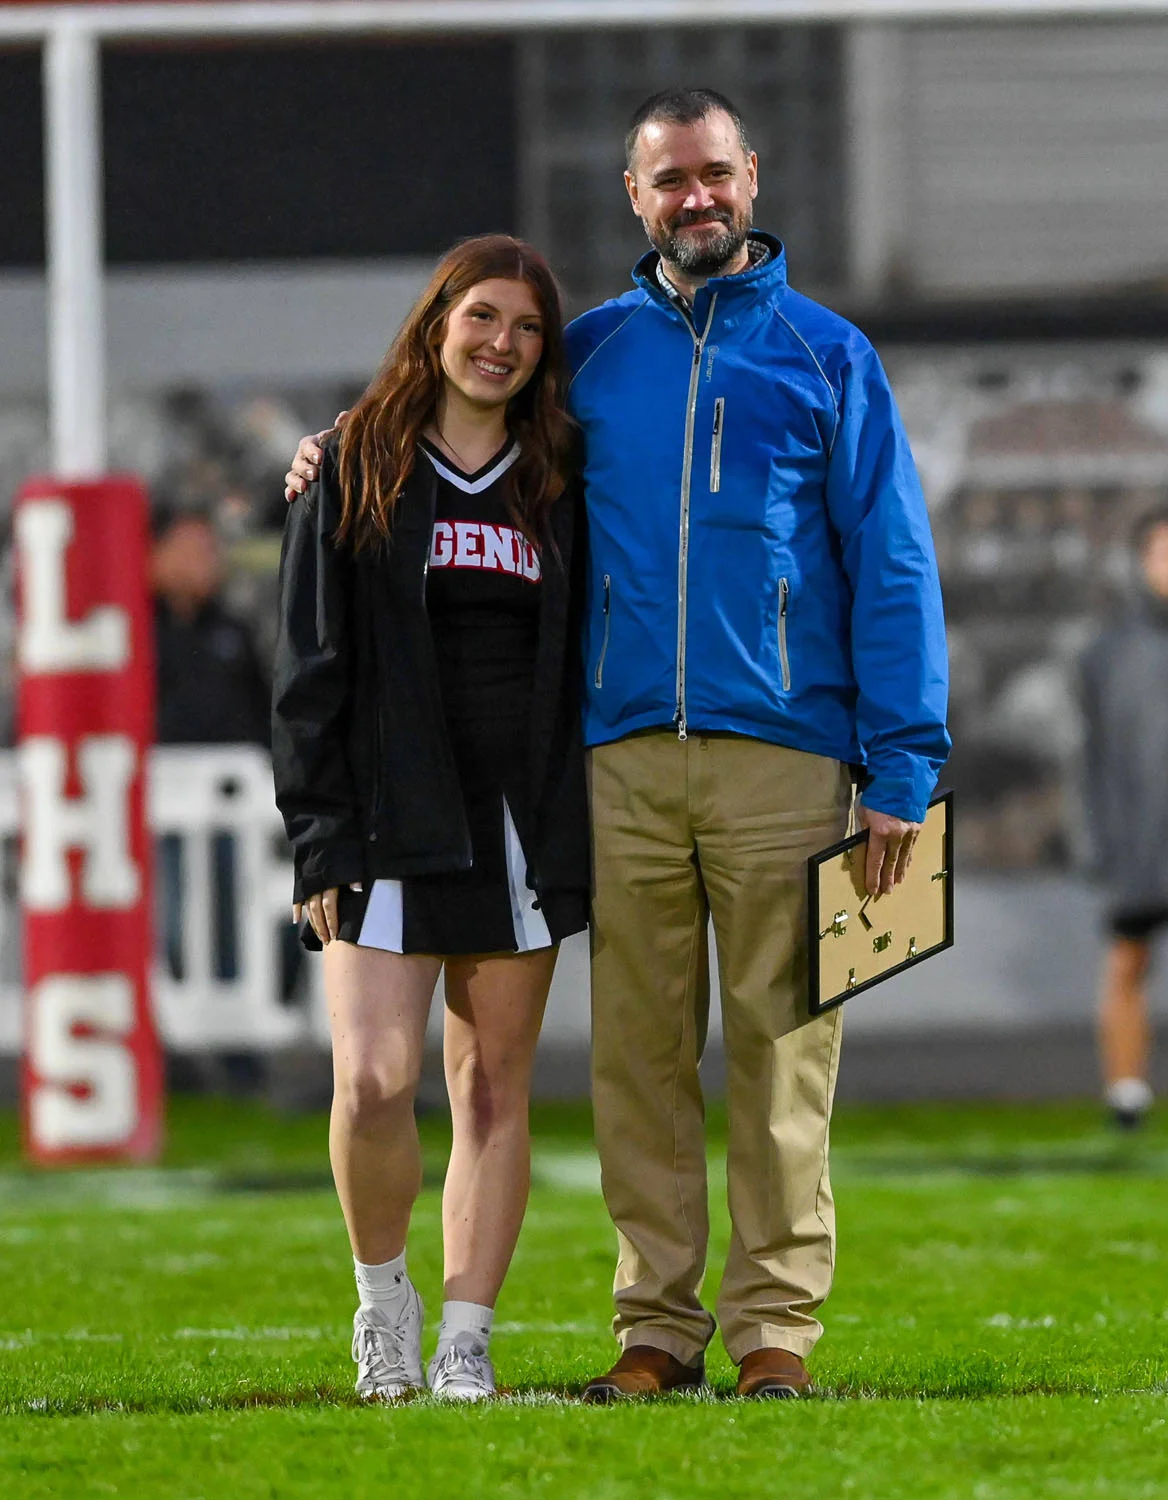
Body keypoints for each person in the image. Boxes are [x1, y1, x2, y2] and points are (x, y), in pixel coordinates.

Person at [285, 88, 950, 1401]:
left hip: (794, 763)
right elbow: (449, 426)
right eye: (669, 182)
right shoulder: (579, 356)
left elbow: (892, 565)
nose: (695, 199)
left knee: (784, 1058)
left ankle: (774, 1335)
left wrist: (904, 771)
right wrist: (333, 448)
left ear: (751, 177)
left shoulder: (832, 357)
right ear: (635, 200)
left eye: (715, 174)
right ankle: (656, 1329)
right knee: (637, 1066)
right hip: (615, 765)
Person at [272, 235, 589, 1402]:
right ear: (436, 322)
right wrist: (317, 831)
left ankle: (465, 1336)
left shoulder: (561, 474)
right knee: (371, 1080)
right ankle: (382, 1306)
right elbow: (309, 667)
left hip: (518, 823)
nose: (502, 343)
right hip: (385, 817)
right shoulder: (352, 463)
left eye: (527, 327)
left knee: (494, 1088)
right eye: (483, 317)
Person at [1080, 507, 1168, 1130]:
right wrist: (1100, 838)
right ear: (1140, 563)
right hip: (1140, 842)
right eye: (1158, 554)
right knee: (1128, 963)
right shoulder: (1108, 651)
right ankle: (1126, 1093)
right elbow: (1095, 754)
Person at [152, 506, 270, 995]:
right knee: (170, 922)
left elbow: (263, 712)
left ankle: (238, 1054)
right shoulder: (129, 632)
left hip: (231, 807)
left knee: (235, 920)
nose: (207, 561)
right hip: (157, 808)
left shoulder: (231, 631)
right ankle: (175, 1041)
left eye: (210, 549)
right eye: (192, 549)